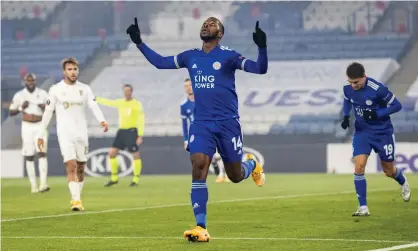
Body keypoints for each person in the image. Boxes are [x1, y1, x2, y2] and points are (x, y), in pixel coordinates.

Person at [127, 16, 268, 242]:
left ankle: (250, 164)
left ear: (220, 34)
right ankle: (200, 226)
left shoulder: (229, 56)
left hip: (228, 123)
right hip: (202, 123)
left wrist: (262, 47)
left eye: (213, 24)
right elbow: (160, 62)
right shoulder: (190, 56)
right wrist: (139, 43)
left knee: (234, 176)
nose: (207, 25)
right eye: (205, 23)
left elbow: (260, 69)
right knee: (199, 166)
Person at [37, 57, 108, 211]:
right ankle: (76, 201)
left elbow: (93, 106)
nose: (73, 72)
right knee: (71, 166)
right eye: (70, 69)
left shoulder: (85, 89)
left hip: (81, 133)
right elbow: (48, 113)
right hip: (65, 133)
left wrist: (102, 120)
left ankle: (77, 198)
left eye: (75, 69)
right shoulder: (55, 89)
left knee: (81, 168)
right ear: (64, 71)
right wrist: (41, 134)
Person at [340, 62, 411, 217]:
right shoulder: (347, 88)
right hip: (362, 132)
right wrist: (346, 116)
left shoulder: (377, 89)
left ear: (364, 77)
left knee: (388, 170)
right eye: (351, 82)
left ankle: (402, 180)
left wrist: (376, 114)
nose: (353, 85)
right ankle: (363, 207)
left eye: (356, 82)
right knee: (359, 166)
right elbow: (346, 99)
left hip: (382, 133)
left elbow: (397, 105)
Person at [96, 84, 145, 187]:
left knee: (135, 155)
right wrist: (96, 99)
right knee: (112, 153)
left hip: (131, 131)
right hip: (121, 132)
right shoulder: (120, 102)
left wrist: (140, 135)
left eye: (128, 91)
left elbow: (141, 120)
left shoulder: (136, 104)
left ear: (131, 92)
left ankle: (135, 180)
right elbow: (109, 102)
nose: (127, 93)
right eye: (125, 91)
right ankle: (114, 179)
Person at [181, 78, 228, 183]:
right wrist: (186, 140)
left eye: (190, 85)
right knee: (203, 156)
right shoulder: (184, 105)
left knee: (216, 153)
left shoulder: (204, 100)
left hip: (209, 131)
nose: (188, 88)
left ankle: (222, 174)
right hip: (197, 135)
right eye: (186, 86)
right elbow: (184, 124)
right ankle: (217, 169)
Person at [9, 73, 50, 193]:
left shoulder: (42, 93)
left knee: (42, 153)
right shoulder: (20, 95)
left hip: (40, 125)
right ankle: (33, 186)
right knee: (29, 156)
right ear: (25, 81)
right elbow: (11, 112)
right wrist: (22, 108)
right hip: (26, 126)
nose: (30, 82)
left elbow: (51, 109)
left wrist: (44, 108)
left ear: (35, 81)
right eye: (28, 80)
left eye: (32, 80)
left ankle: (43, 184)